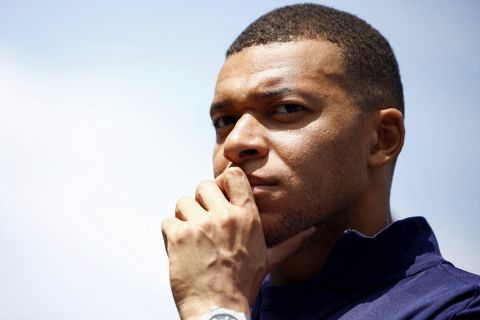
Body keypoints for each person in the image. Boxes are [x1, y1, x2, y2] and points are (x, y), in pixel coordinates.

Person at [161, 4, 480, 320]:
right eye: (225, 120)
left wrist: (216, 310)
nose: (236, 142)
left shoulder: (457, 308)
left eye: (286, 109)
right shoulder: (232, 299)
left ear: (382, 139)